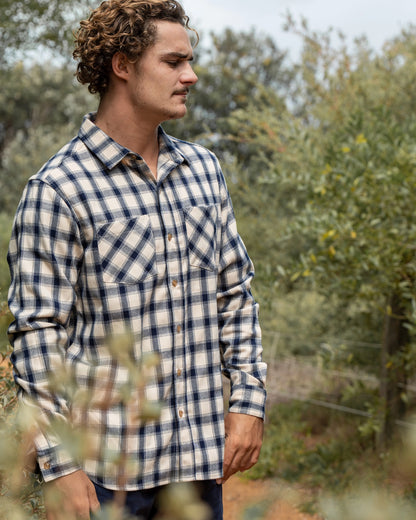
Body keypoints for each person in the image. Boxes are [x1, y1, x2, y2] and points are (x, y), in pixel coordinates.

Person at [7, 1, 267, 518]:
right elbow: (37, 334)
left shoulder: (204, 172)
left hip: (198, 469)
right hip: (106, 480)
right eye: (173, 62)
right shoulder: (57, 190)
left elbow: (235, 295)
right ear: (122, 66)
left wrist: (247, 401)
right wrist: (61, 465)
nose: (190, 76)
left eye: (189, 62)